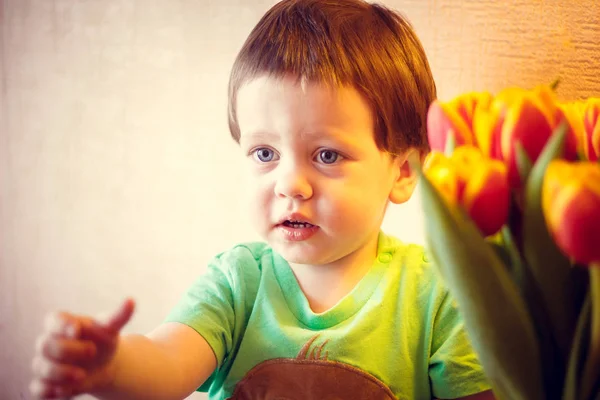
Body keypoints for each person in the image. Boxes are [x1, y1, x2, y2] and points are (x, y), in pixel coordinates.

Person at [29, 0, 495, 399]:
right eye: (265, 153)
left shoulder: (438, 298)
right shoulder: (237, 285)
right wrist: (112, 368)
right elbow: (167, 363)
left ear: (404, 170)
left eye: (327, 154)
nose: (290, 184)